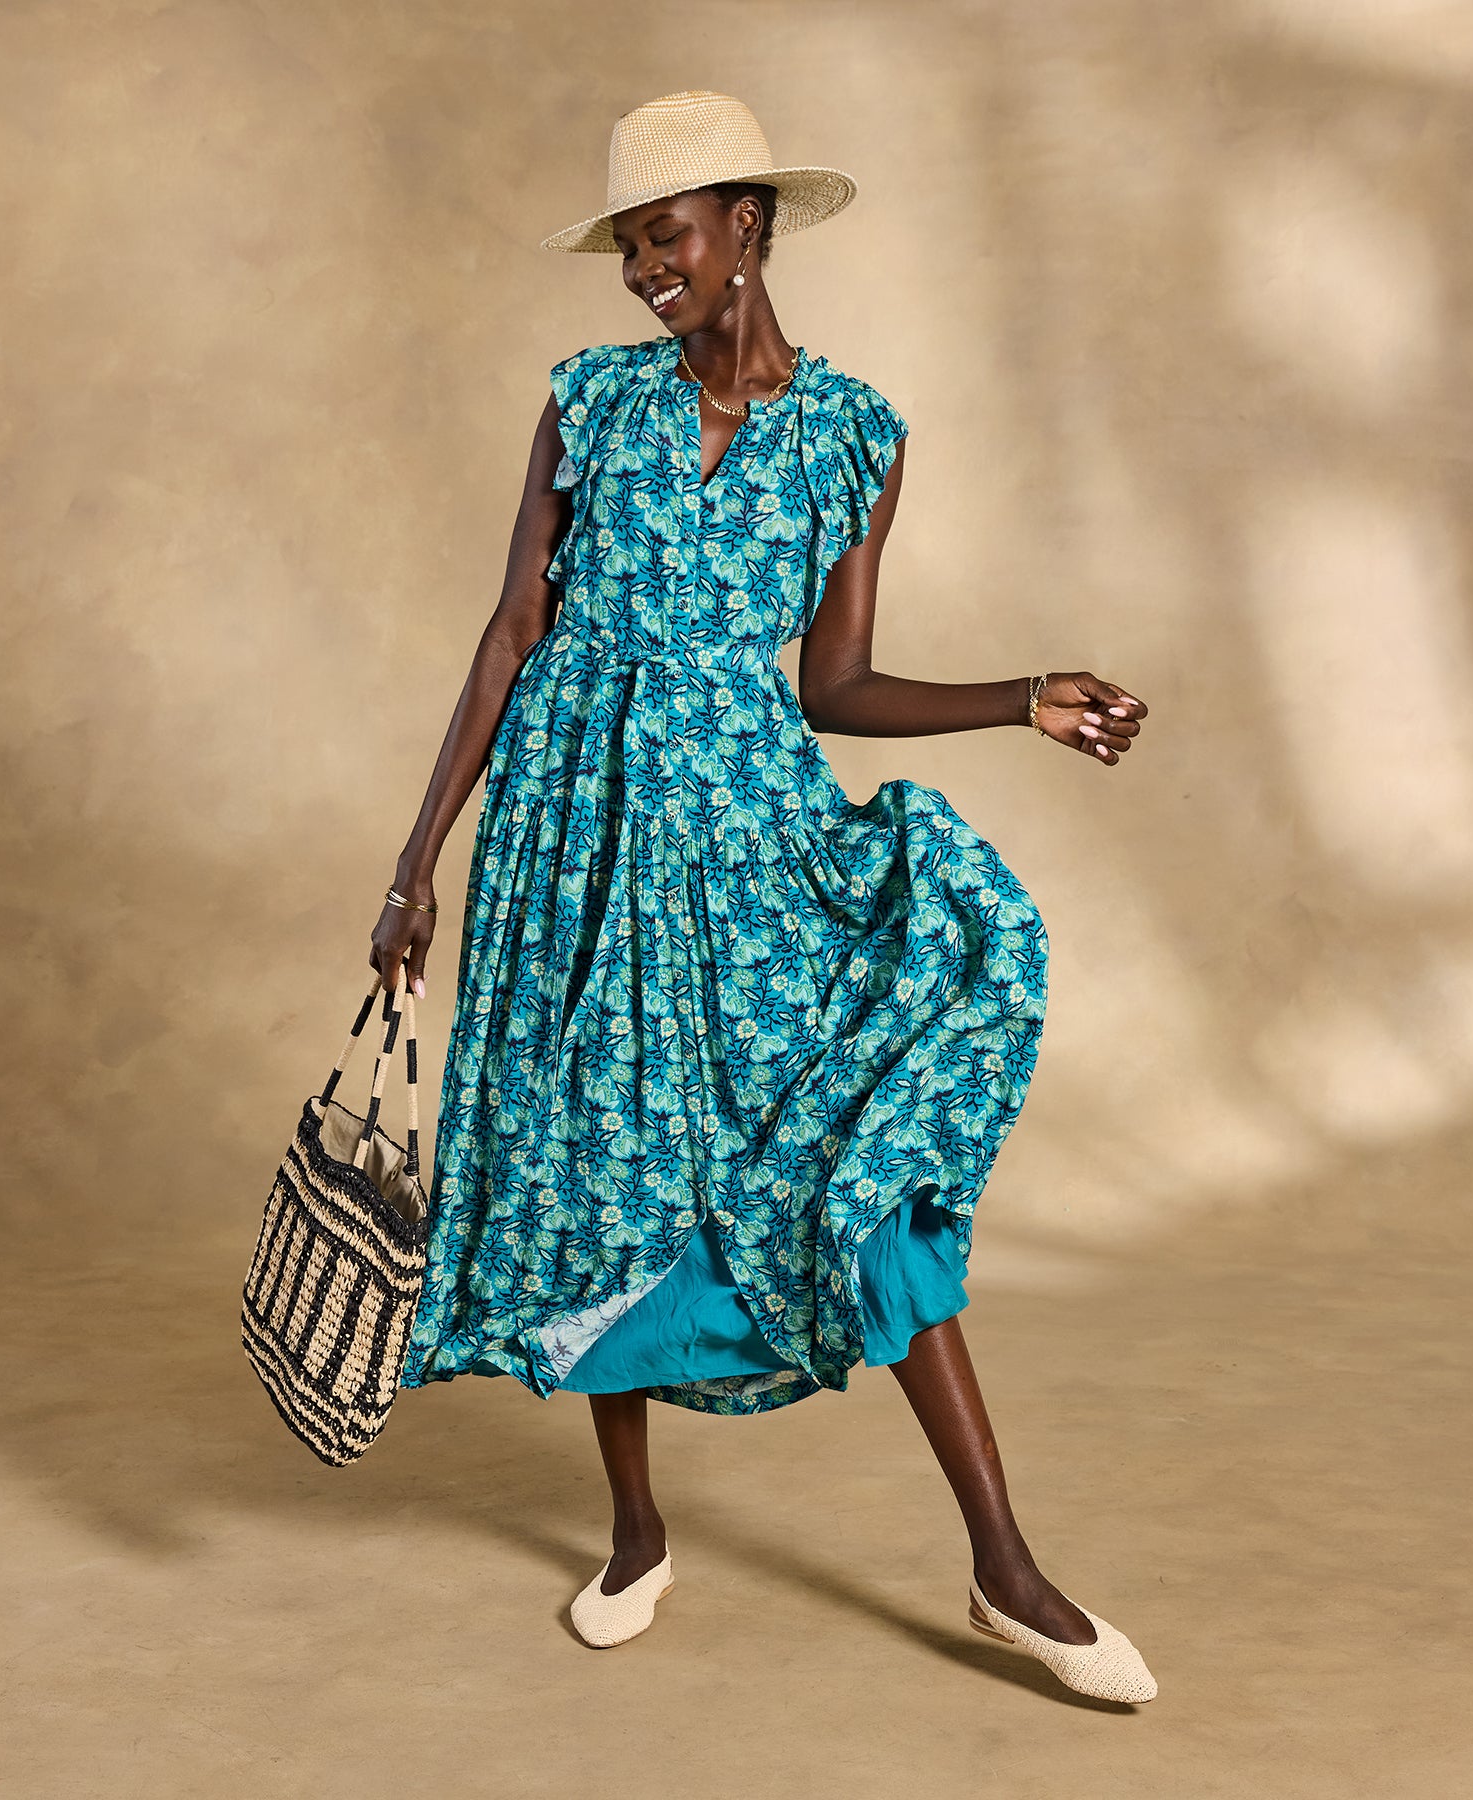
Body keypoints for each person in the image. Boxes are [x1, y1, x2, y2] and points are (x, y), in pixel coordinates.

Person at [369, 91, 1156, 1702]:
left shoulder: (854, 434)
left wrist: (1021, 698)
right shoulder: (589, 404)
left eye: (666, 234)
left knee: (850, 1163)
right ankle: (635, 1530)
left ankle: (1004, 1568)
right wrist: (414, 864)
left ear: (748, 223)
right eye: (628, 246)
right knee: (601, 1166)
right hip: (574, 843)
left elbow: (834, 685)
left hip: (750, 849)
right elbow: (513, 634)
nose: (643, 268)